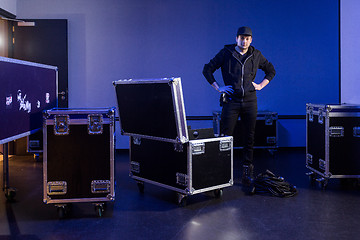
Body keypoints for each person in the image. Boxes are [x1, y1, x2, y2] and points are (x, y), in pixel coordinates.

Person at [203, 26, 275, 186]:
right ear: (236, 39)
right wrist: (218, 87)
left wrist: (261, 85)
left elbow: (271, 70)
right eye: (242, 38)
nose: (245, 41)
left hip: (250, 101)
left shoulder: (256, 55)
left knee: (249, 136)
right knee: (225, 136)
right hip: (231, 101)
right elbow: (207, 69)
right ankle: (221, 170)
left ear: (251, 40)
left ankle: (247, 170)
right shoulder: (226, 53)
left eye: (248, 38)